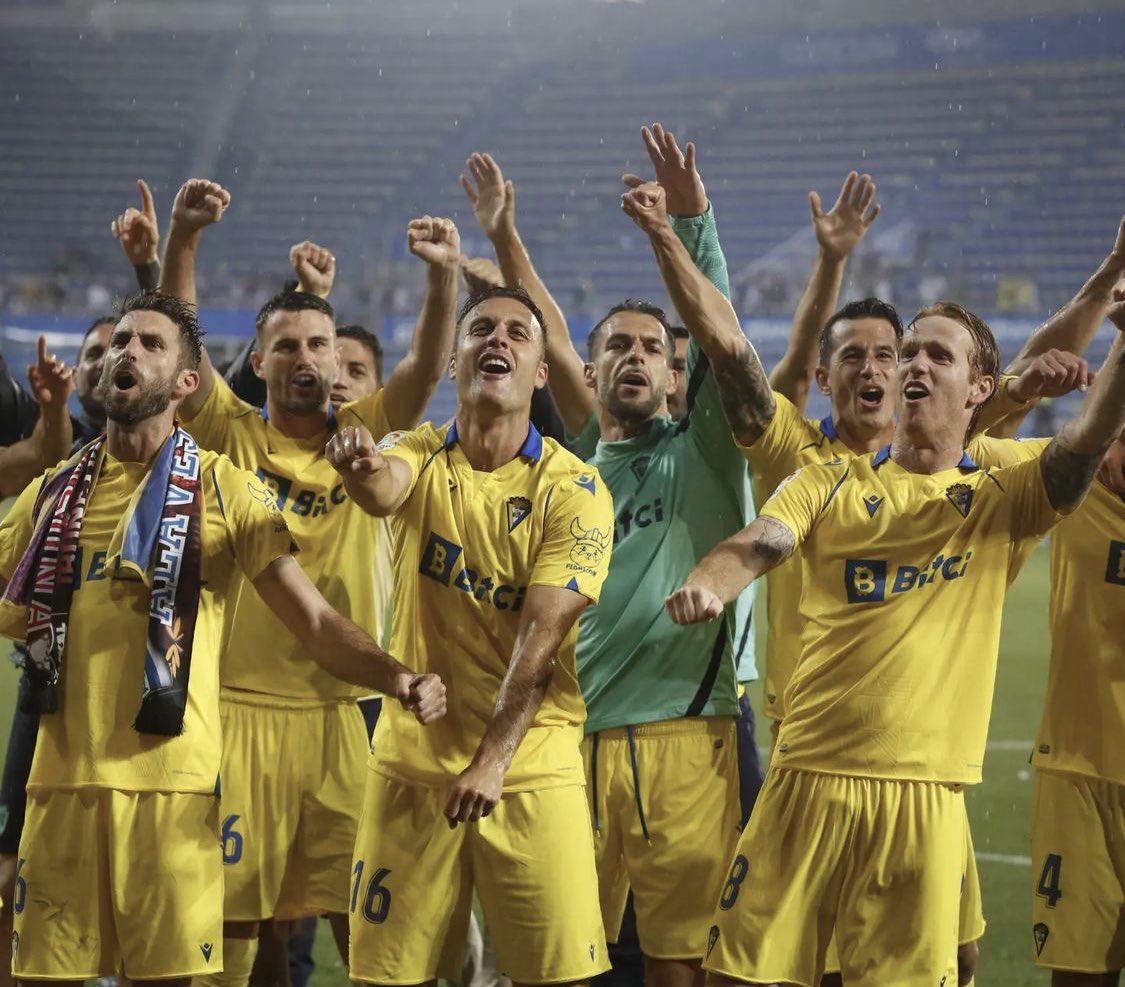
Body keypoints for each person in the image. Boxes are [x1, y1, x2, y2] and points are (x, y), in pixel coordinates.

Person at [665, 300, 1125, 986]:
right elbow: (761, 540)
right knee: (734, 976)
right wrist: (710, 581)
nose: (914, 363)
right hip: (804, 781)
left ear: (978, 389)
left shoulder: (1004, 492)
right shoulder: (831, 478)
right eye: (909, 349)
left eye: (938, 355)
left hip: (924, 797)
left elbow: (1085, 443)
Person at [0, 289, 446, 986]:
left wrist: (397, 676)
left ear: (187, 382)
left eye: (151, 344)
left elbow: (316, 622)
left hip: (171, 792)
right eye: (121, 340)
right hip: (59, 789)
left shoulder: (226, 490)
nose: (127, 352)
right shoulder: (53, 494)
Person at [459, 128, 758, 986]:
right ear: (587, 372)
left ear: (674, 376)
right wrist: (504, 235)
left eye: (652, 349)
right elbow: (545, 331)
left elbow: (718, 328)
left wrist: (688, 221)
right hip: (567, 739)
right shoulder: (579, 461)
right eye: (616, 346)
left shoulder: (704, 446)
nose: (635, 357)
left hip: (684, 734)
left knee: (678, 964)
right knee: (556, 956)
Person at [153, 178, 459, 985]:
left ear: (337, 359)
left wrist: (440, 276)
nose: (303, 358)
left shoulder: (368, 434)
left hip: (350, 710)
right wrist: (183, 239)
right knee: (239, 925)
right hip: (241, 708)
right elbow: (178, 342)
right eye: (284, 345)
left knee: (361, 915)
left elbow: (429, 363)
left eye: (317, 344)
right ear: (256, 361)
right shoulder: (231, 432)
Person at [326, 281, 615, 986]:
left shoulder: (573, 488)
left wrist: (491, 759)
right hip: (411, 767)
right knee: (387, 976)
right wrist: (360, 467)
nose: (498, 340)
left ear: (541, 372)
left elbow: (542, 637)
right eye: (482, 328)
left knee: (559, 978)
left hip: (531, 767)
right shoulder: (416, 452)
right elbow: (382, 486)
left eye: (519, 333)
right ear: (454, 360)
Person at [1027, 293, 1125, 986]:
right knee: (1075, 975)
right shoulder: (1075, 488)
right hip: (1077, 774)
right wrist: (1104, 284)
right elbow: (1021, 372)